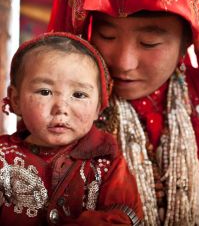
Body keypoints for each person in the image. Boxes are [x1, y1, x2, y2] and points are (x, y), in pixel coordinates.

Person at [48, 0, 199, 226]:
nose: (123, 63)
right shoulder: (60, 109)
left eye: (149, 43)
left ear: (187, 41)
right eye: (107, 35)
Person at [0, 32, 143, 226]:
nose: (61, 107)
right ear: (16, 100)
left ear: (98, 106)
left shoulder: (107, 162)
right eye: (45, 92)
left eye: (79, 94)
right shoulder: (3, 158)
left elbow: (122, 218)